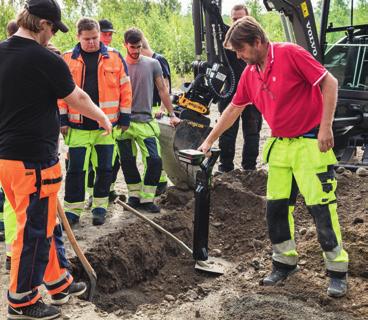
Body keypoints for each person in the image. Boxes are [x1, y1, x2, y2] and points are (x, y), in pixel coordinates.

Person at [198, 16, 349, 297]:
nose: (239, 57)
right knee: (276, 210)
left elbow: (330, 83)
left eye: (241, 50)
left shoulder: (291, 54)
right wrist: (208, 141)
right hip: (280, 146)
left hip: (309, 144)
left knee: (321, 209)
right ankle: (284, 263)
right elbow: (233, 109)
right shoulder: (250, 72)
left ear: (257, 42)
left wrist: (326, 127)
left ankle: (337, 271)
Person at [0, 0, 112, 319]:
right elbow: (76, 97)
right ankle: (22, 299)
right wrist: (102, 117)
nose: (51, 36)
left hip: (7, 161)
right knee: (33, 230)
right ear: (44, 24)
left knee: (45, 223)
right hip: (33, 161)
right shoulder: (45, 58)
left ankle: (57, 282)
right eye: (52, 29)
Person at [59, 17, 132, 226]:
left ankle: (100, 206)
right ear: (78, 37)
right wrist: (62, 119)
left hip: (106, 126)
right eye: (87, 39)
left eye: (95, 38)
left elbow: (125, 90)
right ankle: (72, 210)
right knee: (75, 170)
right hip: (77, 126)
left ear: (99, 34)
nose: (92, 42)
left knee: (104, 169)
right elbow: (61, 94)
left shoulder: (116, 57)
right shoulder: (67, 59)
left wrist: (125, 117)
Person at [118, 28, 180, 213]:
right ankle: (134, 196)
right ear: (125, 45)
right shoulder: (118, 64)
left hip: (145, 120)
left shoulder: (153, 64)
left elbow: (163, 90)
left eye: (138, 47)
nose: (135, 51)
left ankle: (147, 197)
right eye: (132, 47)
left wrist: (172, 114)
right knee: (128, 160)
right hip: (124, 123)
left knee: (154, 160)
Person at [218, 4, 262, 173]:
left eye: (241, 19)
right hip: (230, 91)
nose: (237, 23)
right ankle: (225, 168)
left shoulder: (255, 42)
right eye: (234, 19)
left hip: (253, 94)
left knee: (252, 132)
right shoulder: (227, 40)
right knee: (227, 132)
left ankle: (249, 169)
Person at [141, 36, 171, 196]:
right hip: (146, 109)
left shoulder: (158, 60)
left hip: (156, 109)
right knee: (150, 148)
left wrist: (163, 108)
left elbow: (165, 86)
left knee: (156, 148)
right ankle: (156, 180)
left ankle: (161, 181)